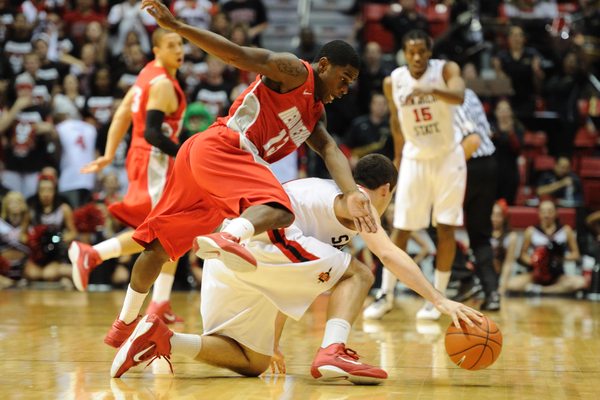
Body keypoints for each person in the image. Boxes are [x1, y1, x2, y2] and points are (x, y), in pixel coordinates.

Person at [102, 0, 375, 354]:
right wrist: (178, 26)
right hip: (225, 146)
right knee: (279, 207)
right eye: (343, 78)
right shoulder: (295, 72)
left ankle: (123, 324)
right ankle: (229, 238)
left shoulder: (315, 115)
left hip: (204, 162)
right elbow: (236, 54)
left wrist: (351, 191)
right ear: (323, 65)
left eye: (351, 83)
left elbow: (331, 151)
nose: (345, 89)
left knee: (160, 247)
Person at [110, 155, 483, 381]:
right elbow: (387, 254)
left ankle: (164, 338)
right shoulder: (356, 201)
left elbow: (290, 278)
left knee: (252, 360)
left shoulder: (332, 195)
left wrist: (273, 339)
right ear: (385, 189)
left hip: (236, 256)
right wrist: (439, 300)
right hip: (260, 240)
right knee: (359, 273)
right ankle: (333, 349)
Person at [69, 28, 187, 329]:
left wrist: (109, 154)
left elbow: (122, 113)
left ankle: (160, 303)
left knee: (172, 229)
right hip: (155, 159)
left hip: (143, 157)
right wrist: (184, 153)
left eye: (181, 43)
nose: (178, 49)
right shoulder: (161, 84)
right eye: (170, 44)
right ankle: (92, 254)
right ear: (157, 50)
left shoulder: (147, 74)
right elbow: (151, 132)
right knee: (162, 232)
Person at [378, 29, 466, 321]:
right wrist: (398, 157)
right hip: (415, 159)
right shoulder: (394, 80)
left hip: (447, 157)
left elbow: (459, 95)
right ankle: (385, 293)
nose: (416, 57)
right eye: (411, 52)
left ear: (430, 52)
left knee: (445, 228)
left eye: (421, 51)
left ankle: (438, 300)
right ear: (404, 53)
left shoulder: (446, 70)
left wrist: (432, 90)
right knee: (401, 229)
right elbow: (395, 121)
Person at [452, 88, 500, 311]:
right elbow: (487, 132)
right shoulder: (470, 92)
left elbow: (470, 137)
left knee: (434, 222)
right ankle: (492, 294)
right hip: (489, 164)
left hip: (466, 162)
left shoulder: (445, 95)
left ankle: (466, 279)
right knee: (480, 234)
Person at [507, 200, 587, 295]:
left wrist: (561, 259)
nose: (546, 215)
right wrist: (535, 262)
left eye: (550, 211)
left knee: (581, 283)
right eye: (543, 212)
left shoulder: (565, 230)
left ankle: (541, 291)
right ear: (539, 214)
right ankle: (553, 291)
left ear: (556, 213)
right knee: (511, 285)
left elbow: (576, 254)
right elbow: (522, 255)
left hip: (557, 275)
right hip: (536, 274)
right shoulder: (531, 231)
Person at [491, 99, 523, 205]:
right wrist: (496, 134)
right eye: (501, 110)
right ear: (496, 112)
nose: (504, 113)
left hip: (510, 174)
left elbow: (517, 149)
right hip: (493, 173)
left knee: (508, 204)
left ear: (511, 112)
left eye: (506, 110)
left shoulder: (518, 129)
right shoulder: (491, 127)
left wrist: (510, 133)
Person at [491, 200, 518, 296]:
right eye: (492, 214)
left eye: (498, 215)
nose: (494, 218)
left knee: (514, 285)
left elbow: (508, 263)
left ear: (504, 217)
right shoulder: (482, 234)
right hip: (483, 274)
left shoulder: (511, 236)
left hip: (501, 275)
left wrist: (502, 287)